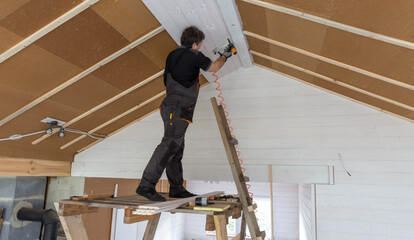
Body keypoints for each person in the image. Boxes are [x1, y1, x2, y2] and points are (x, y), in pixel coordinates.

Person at [136, 26, 232, 201]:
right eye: (200, 44)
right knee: (169, 146)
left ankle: (176, 188)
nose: (201, 47)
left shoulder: (172, 55)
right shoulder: (194, 56)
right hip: (178, 108)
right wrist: (226, 55)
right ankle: (146, 185)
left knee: (176, 148)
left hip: (173, 107)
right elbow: (215, 68)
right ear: (194, 44)